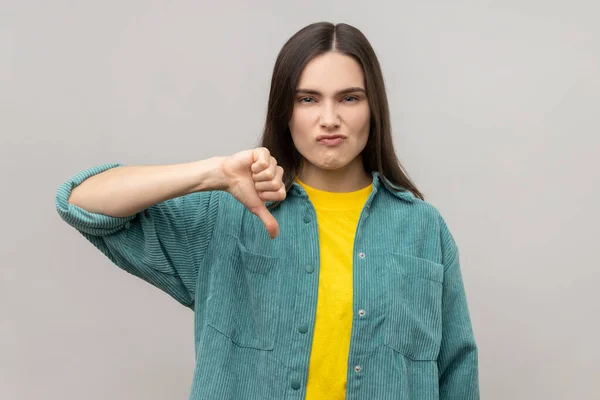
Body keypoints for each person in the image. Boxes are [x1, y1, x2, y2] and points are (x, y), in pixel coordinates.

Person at [56, 21, 479, 400]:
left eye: (349, 98)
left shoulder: (424, 229)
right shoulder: (228, 215)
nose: (329, 118)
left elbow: (457, 372)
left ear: (373, 109)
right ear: (286, 111)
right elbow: (80, 201)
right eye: (308, 99)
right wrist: (215, 172)